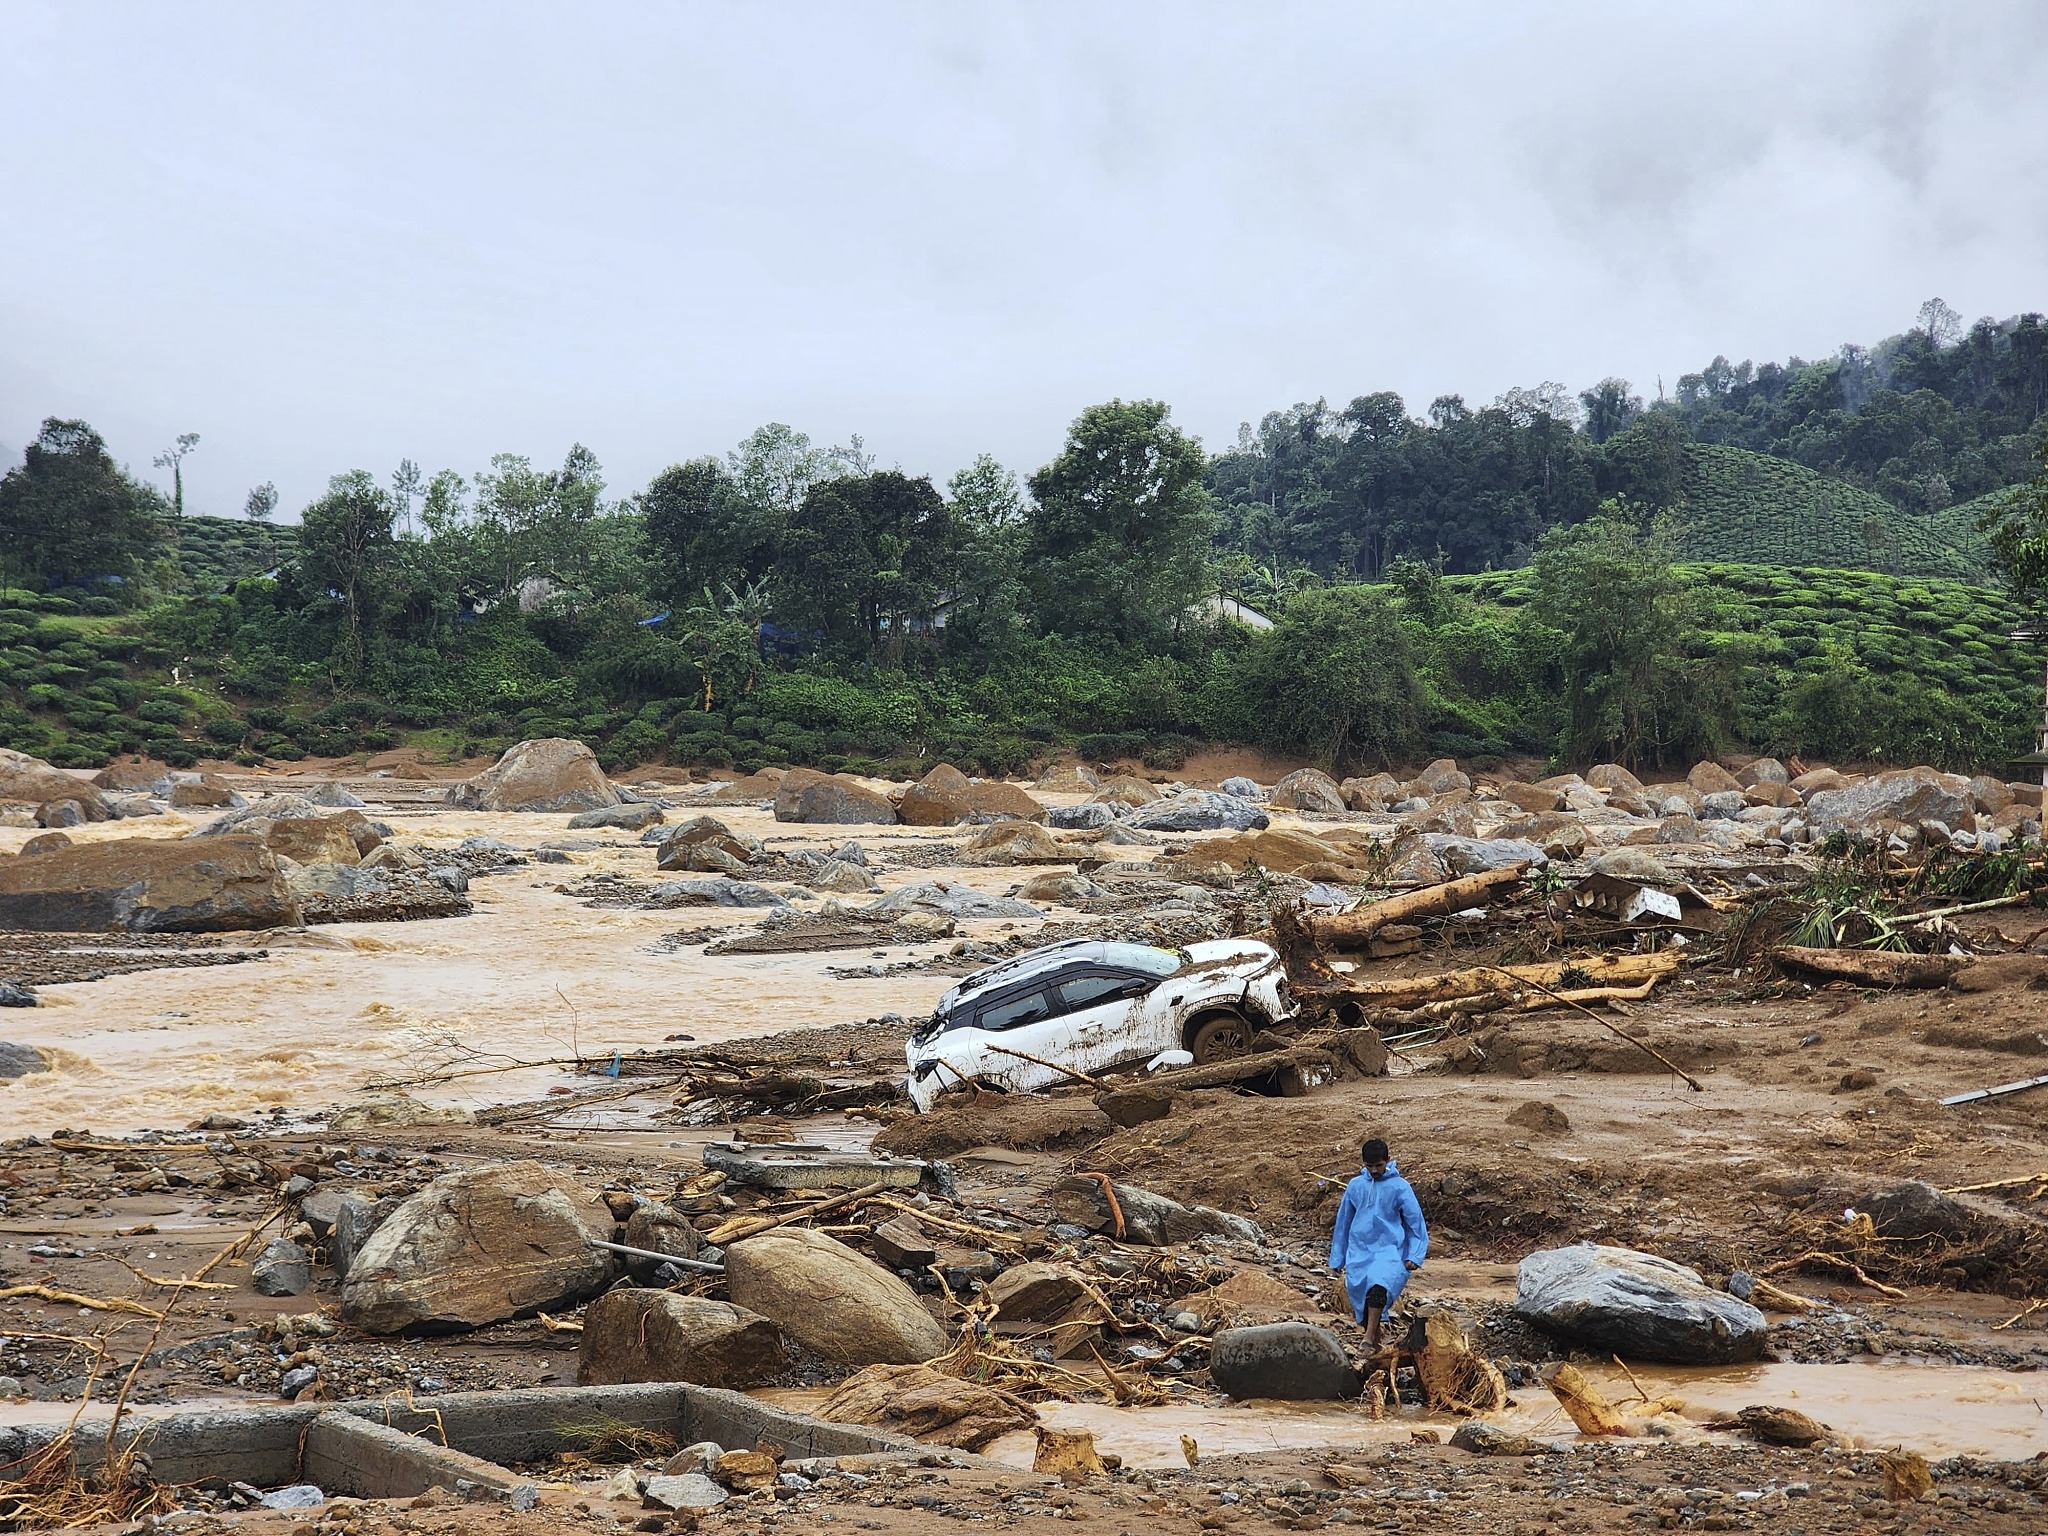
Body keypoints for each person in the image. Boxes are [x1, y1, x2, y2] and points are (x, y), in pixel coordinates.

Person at [1328, 1136, 1428, 1350]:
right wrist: (1338, 1257)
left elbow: (1415, 1223)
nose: (1374, 1170)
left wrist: (1415, 1254)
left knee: (1378, 1288)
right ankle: (1375, 1340)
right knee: (1363, 1300)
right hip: (1359, 1252)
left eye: (1378, 1165)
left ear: (1388, 1161)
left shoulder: (1400, 1187)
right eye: (1369, 1166)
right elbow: (1343, 1223)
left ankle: (1367, 1338)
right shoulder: (1355, 1186)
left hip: (1389, 1251)